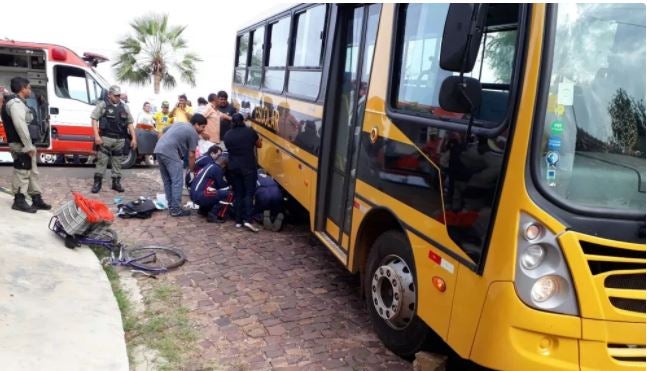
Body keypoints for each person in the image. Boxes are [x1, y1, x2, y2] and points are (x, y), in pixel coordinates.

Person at [0, 77, 51, 212]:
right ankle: (19, 200)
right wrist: (28, 146)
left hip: (25, 143)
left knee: (32, 172)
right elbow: (20, 126)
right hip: (20, 144)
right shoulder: (15, 104)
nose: (30, 90)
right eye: (29, 87)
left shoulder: (21, 103)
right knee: (22, 171)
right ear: (22, 88)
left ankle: (36, 199)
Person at [154, 114, 207, 217]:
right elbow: (192, 155)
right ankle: (176, 209)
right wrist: (191, 171)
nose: (203, 129)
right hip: (170, 151)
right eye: (203, 127)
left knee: (168, 180)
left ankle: (172, 206)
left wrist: (164, 143)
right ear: (196, 125)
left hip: (159, 149)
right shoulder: (193, 133)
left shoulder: (180, 124)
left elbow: (161, 131)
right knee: (177, 181)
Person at [90, 85, 136, 193]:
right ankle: (97, 183)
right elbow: (94, 119)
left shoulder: (125, 107)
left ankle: (116, 183)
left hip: (120, 139)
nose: (118, 97)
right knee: (102, 161)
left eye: (119, 95)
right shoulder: (103, 105)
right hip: (106, 137)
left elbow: (130, 123)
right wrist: (96, 136)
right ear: (109, 95)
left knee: (117, 162)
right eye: (115, 95)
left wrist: (134, 138)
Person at [224, 113, 261, 232]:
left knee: (238, 193)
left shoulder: (227, 135)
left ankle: (238, 220)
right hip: (248, 166)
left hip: (233, 167)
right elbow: (259, 145)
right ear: (243, 121)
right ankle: (248, 219)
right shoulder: (250, 131)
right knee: (249, 193)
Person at [189, 145, 231, 222]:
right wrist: (230, 186)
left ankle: (203, 209)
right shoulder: (217, 169)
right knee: (229, 194)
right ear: (224, 164)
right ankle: (215, 214)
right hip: (200, 196)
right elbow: (222, 187)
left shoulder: (210, 165)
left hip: (194, 194)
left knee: (213, 189)